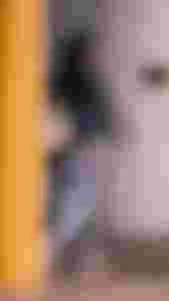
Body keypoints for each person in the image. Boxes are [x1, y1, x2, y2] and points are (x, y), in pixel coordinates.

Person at [47, 29, 115, 279]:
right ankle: (54, 247)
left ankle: (75, 258)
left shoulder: (60, 80)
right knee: (79, 201)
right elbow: (99, 113)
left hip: (67, 149)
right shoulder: (80, 80)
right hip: (78, 148)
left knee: (73, 199)